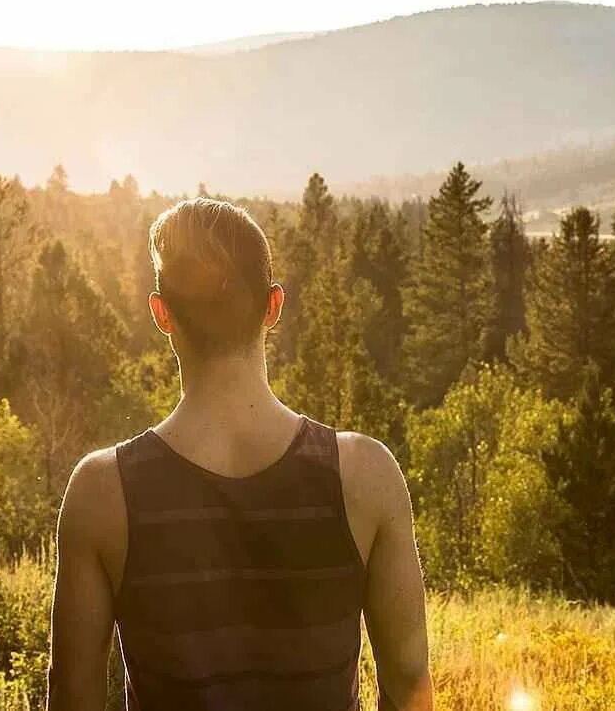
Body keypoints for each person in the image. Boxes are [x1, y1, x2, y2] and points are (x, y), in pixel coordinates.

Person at [47, 197, 432, 711]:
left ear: (161, 314)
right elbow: (409, 685)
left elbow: (74, 699)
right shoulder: (366, 475)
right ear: (274, 306)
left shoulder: (102, 492)